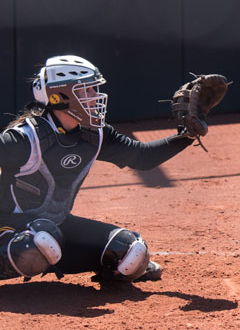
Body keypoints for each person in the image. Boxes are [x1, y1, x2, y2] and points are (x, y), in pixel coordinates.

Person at [0, 55, 202, 283]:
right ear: (60, 95)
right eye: (87, 91)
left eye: (95, 90)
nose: (96, 97)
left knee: (129, 252)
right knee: (39, 241)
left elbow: (142, 157)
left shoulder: (94, 134)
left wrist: (187, 135)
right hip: (9, 228)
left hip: (56, 227)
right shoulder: (24, 138)